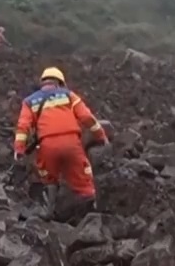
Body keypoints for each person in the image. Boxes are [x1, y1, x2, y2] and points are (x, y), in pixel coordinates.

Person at [13, 67, 108, 210]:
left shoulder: (29, 102)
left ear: (43, 83)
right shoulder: (69, 96)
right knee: (82, 178)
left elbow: (23, 126)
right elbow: (87, 117)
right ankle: (93, 210)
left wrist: (19, 149)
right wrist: (101, 136)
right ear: (60, 83)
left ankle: (49, 209)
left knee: (49, 178)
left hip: (47, 146)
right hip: (71, 144)